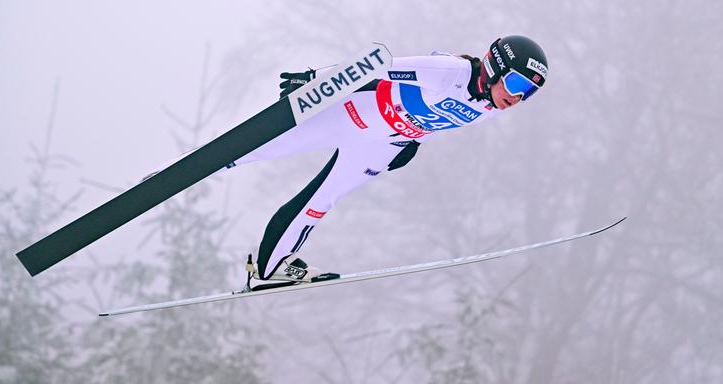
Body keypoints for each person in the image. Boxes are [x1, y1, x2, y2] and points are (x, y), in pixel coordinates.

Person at [231, 35, 549, 282]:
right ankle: (192, 164)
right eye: (517, 84)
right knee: (259, 147)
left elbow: (438, 118)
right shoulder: (450, 72)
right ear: (495, 68)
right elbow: (379, 67)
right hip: (353, 113)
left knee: (322, 200)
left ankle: (270, 267)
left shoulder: (490, 107)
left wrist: (412, 143)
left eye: (528, 94)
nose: (517, 97)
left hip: (382, 143)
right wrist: (318, 79)